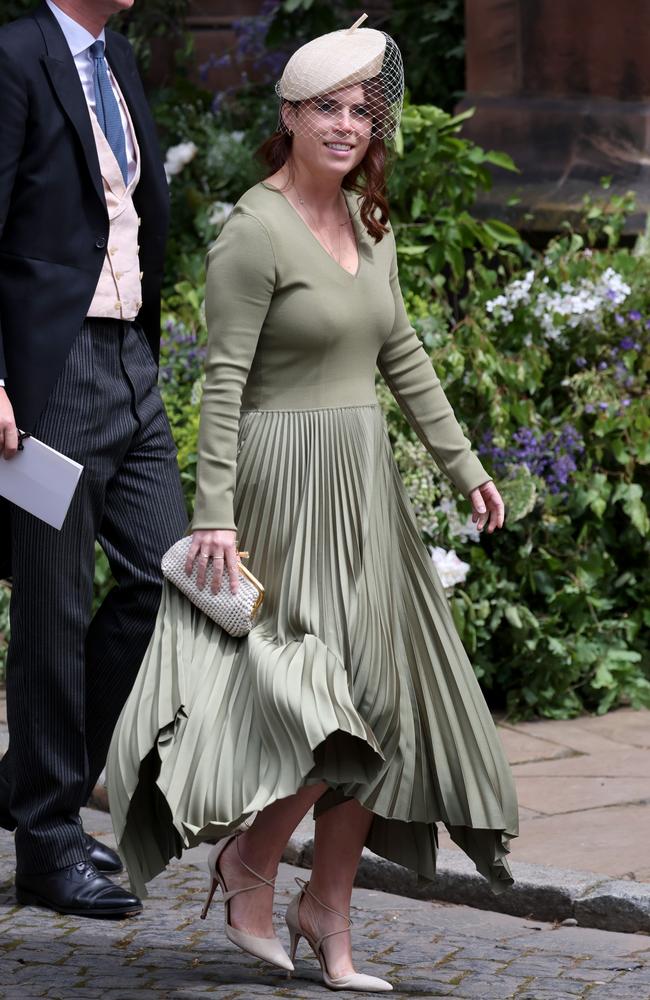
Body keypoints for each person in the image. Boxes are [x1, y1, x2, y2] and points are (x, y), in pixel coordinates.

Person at [107, 17, 518, 991]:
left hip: (363, 488)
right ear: (287, 116)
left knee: (381, 705)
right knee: (321, 710)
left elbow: (403, 356)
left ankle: (325, 911)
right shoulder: (253, 230)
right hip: (281, 486)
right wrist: (212, 515)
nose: (345, 125)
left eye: (360, 110)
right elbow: (219, 380)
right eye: (324, 108)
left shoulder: (370, 225)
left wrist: (463, 466)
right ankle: (250, 864)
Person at [0, 0, 188, 918]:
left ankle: (30, 782)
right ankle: (47, 839)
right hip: (52, 367)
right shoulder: (14, 56)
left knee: (168, 576)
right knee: (52, 608)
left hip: (129, 361)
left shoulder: (116, 60)